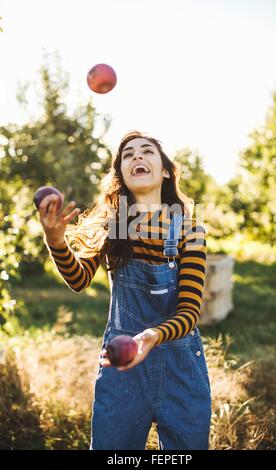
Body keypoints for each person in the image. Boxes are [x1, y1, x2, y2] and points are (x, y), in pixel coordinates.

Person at [38, 130, 212, 450]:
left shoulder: (189, 230)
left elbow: (189, 312)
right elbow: (78, 280)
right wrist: (55, 240)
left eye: (147, 152)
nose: (137, 157)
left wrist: (152, 336)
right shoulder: (113, 225)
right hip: (121, 372)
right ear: (121, 174)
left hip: (181, 371)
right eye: (128, 155)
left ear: (165, 171)